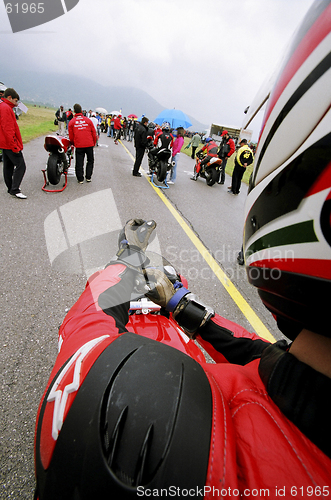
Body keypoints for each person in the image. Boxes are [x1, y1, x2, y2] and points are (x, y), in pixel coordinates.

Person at [34, 1, 331, 496]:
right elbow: (265, 356)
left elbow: (86, 350)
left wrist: (121, 267)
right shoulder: (297, 378)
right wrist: (182, 306)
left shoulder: (165, 435)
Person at [0, 87, 27, 199]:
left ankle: (10, 187)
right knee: (21, 165)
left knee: (8, 165)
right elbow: (8, 129)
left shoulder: (3, 106)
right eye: (15, 101)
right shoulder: (6, 108)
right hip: (9, 143)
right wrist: (14, 145)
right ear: (9, 97)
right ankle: (15, 189)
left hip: (3, 143)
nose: (16, 104)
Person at [68, 103, 97, 183]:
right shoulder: (88, 120)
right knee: (90, 160)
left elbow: (71, 136)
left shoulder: (72, 122)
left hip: (79, 144)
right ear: (81, 111)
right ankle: (88, 177)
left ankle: (80, 178)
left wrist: (73, 143)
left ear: (74, 111)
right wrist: (94, 142)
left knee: (79, 162)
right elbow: (94, 133)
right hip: (89, 144)